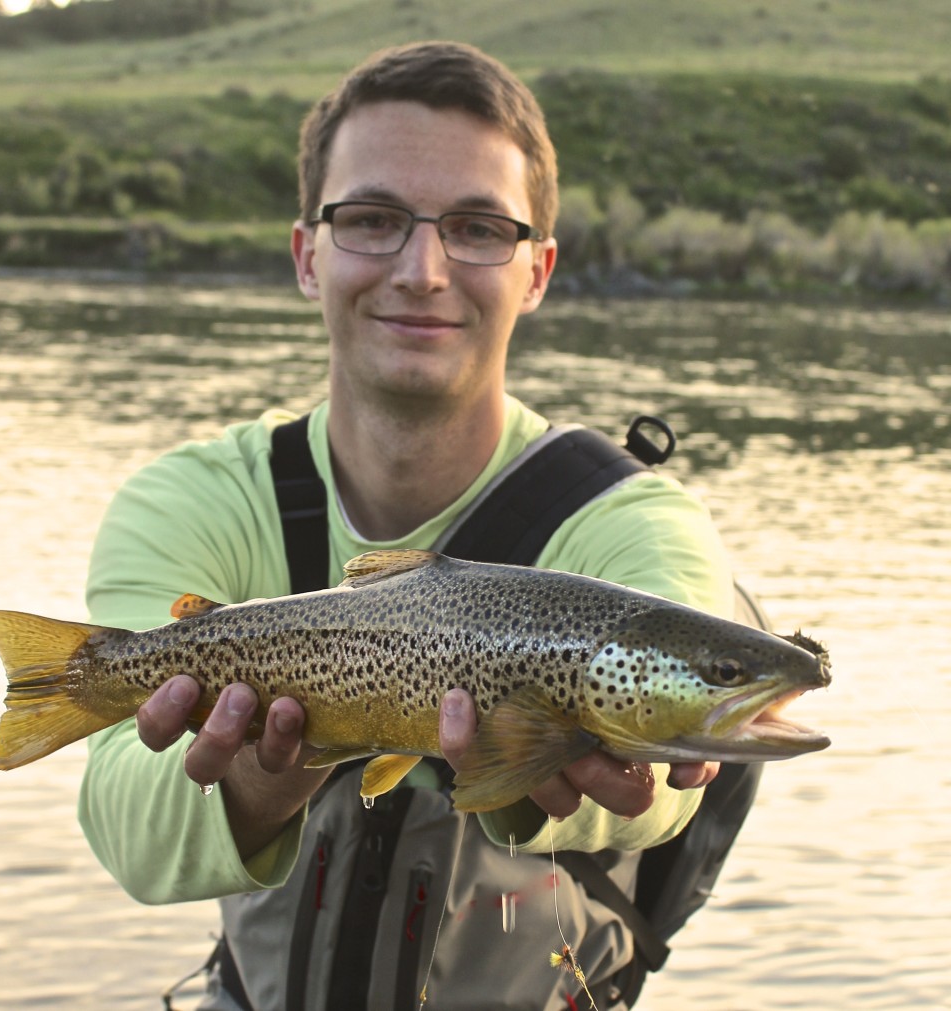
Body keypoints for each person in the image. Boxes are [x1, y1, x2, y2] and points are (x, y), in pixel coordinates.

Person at [78, 41, 734, 1010]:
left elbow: (658, 800)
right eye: (373, 221)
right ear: (308, 255)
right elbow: (128, 835)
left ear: (537, 271)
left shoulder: (636, 526)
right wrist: (267, 775)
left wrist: (549, 770)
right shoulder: (186, 503)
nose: (423, 271)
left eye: (477, 227)